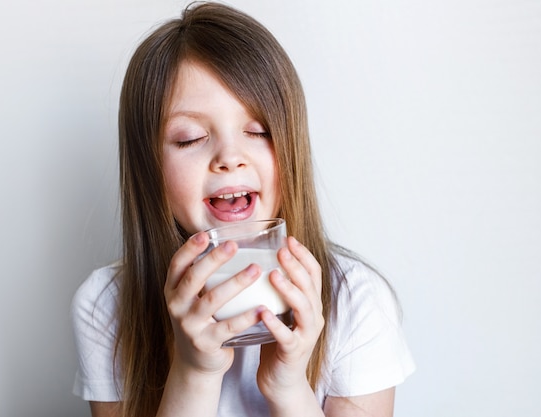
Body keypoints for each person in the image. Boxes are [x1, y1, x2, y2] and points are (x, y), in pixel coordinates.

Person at [71, 2, 415, 417]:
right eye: (190, 138)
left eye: (257, 131)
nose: (230, 157)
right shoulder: (106, 304)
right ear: (149, 166)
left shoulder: (356, 301)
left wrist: (287, 387)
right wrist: (194, 372)